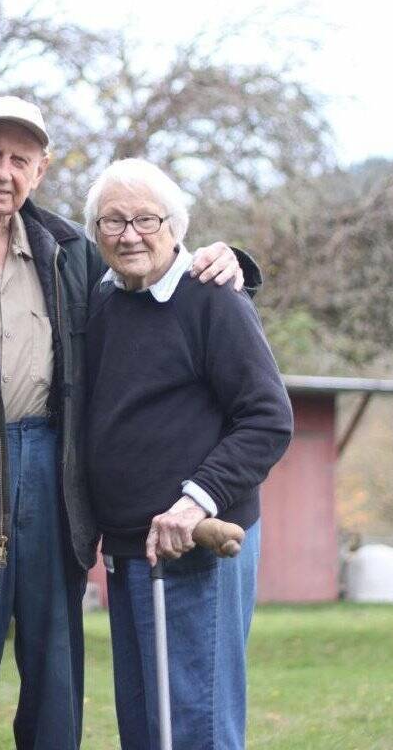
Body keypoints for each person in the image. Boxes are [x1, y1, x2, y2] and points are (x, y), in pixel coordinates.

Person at [0, 96, 255, 750]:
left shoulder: (71, 253)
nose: (3, 171)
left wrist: (227, 261)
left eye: (20, 159)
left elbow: (149, 269)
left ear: (40, 169)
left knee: (57, 701)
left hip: (57, 494)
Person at [84, 158, 294, 750]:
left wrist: (194, 501)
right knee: (149, 732)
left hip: (195, 546)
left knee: (195, 728)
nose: (130, 234)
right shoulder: (100, 302)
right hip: (127, 552)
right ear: (95, 232)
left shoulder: (213, 300)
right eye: (113, 221)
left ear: (176, 226)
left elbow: (268, 418)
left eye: (146, 219)